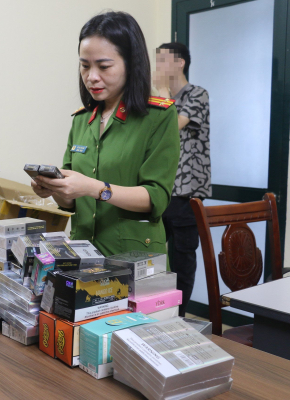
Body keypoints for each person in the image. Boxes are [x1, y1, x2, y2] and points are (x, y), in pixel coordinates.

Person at [31, 12, 180, 259]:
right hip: (83, 256)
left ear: (131, 63)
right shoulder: (82, 119)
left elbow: (156, 197)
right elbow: (70, 201)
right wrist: (54, 188)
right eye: (85, 65)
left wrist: (93, 188)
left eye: (104, 66)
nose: (92, 77)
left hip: (134, 257)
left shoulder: (158, 116)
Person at [154, 42, 211, 316]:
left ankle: (179, 317)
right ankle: (155, 312)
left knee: (182, 261)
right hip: (160, 189)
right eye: (156, 61)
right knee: (151, 258)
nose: (158, 66)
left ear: (180, 63)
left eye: (163, 60)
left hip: (187, 194)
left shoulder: (197, 94)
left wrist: (163, 95)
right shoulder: (157, 100)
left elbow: (172, 127)